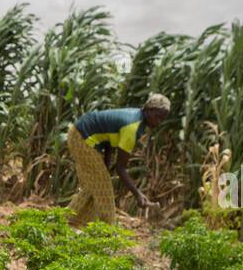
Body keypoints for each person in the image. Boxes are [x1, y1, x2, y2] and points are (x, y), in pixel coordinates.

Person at [67, 93, 171, 223]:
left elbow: (110, 141)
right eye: (157, 117)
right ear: (148, 110)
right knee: (104, 190)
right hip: (83, 137)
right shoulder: (132, 127)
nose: (159, 122)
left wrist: (105, 166)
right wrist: (138, 194)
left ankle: (71, 222)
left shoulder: (136, 116)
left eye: (162, 119)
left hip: (81, 135)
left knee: (93, 187)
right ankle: (108, 231)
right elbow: (120, 168)